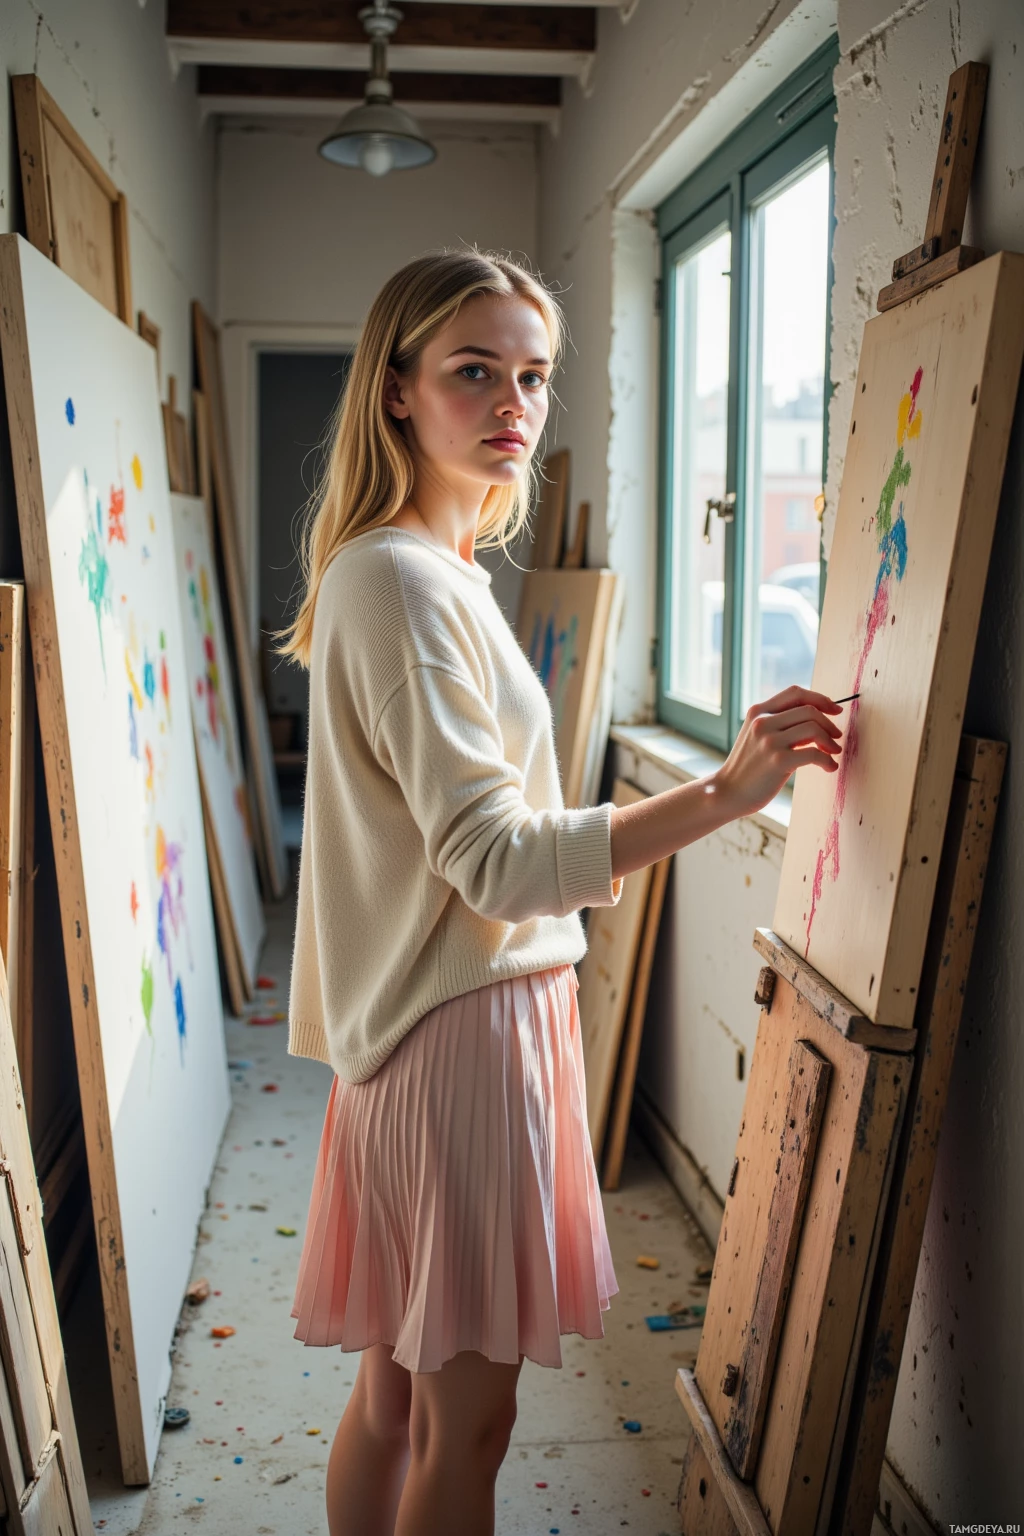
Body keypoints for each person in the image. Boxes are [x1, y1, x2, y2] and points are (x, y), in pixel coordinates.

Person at [274, 248, 842, 1536]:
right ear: (397, 391)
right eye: (473, 371)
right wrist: (728, 790)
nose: (513, 404)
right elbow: (496, 860)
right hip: (459, 1037)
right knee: (463, 1430)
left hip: (427, 1031)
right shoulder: (402, 582)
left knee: (400, 1407)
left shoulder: (425, 571)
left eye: (532, 376)